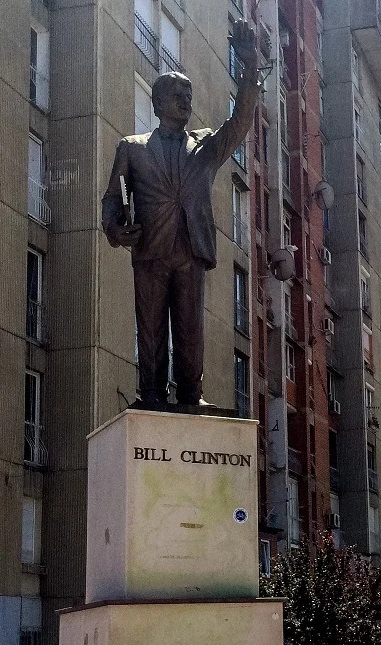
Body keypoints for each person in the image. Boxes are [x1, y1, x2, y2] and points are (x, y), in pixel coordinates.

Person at [101, 19, 262, 409]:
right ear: (157, 103)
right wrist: (116, 229)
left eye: (189, 94)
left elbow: (240, 122)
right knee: (151, 330)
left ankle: (193, 394)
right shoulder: (132, 148)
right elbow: (111, 201)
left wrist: (249, 69)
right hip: (151, 249)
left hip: (190, 249)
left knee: (191, 331)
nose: (186, 100)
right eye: (178, 94)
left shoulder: (206, 146)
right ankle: (151, 394)